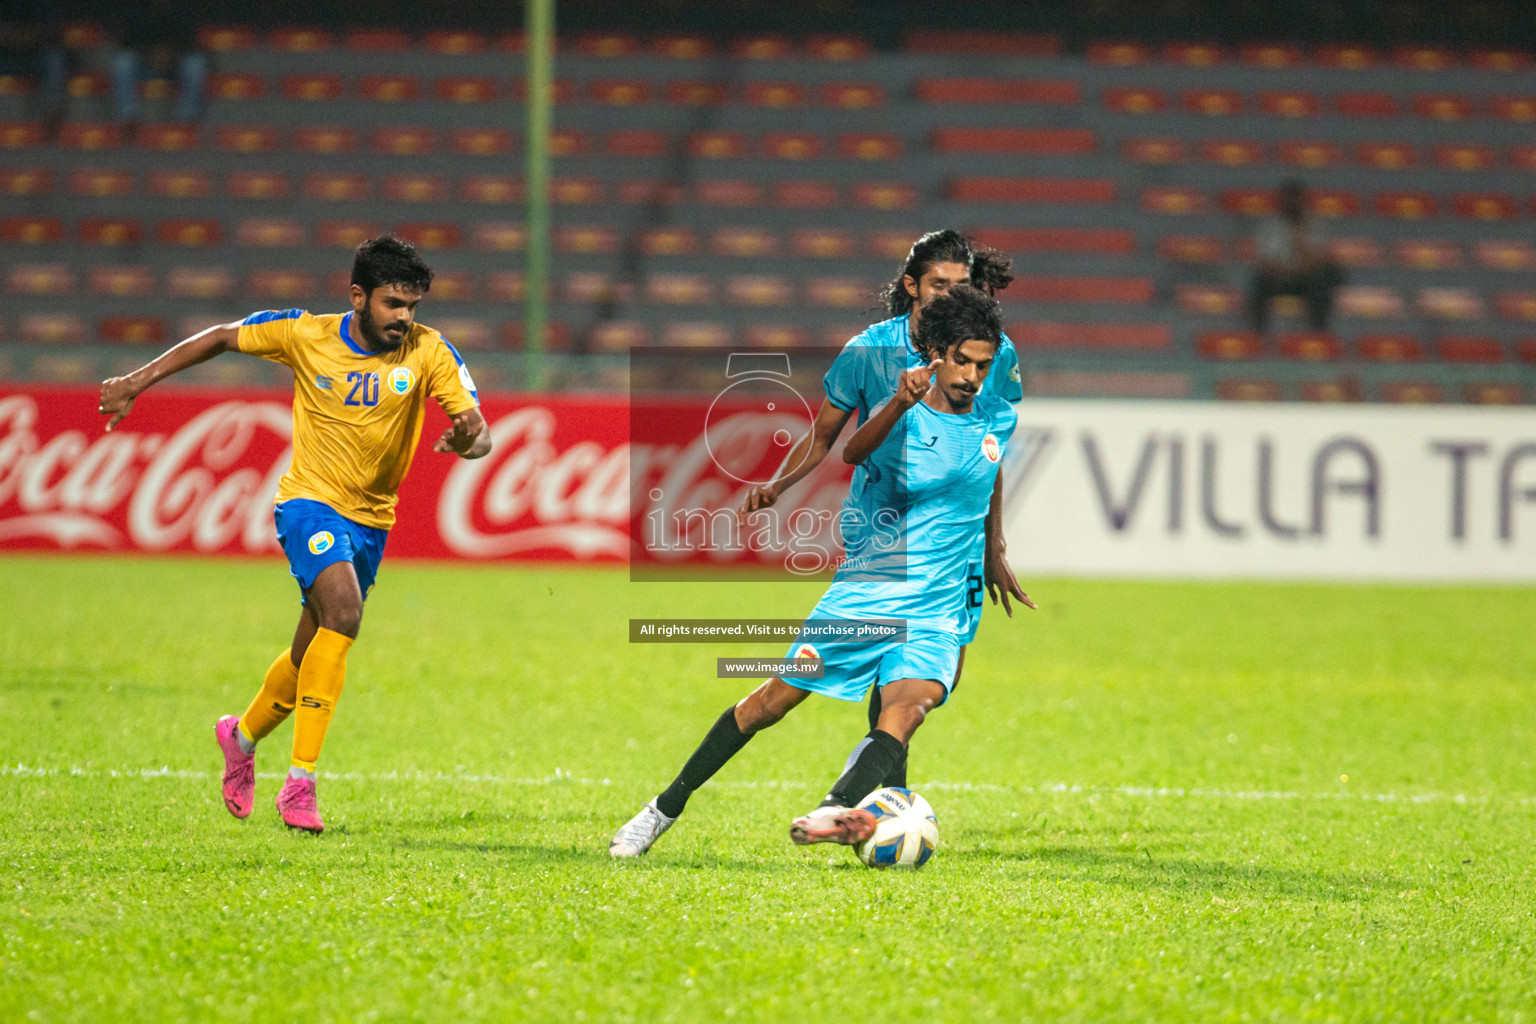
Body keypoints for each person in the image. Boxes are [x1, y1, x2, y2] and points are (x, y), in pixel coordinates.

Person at [611, 285, 1031, 857]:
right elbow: (854, 452)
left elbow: (991, 471)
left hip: (938, 605)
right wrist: (897, 404)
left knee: (907, 709)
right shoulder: (906, 413)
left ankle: (837, 811)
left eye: (983, 365)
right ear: (936, 352)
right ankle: (663, 809)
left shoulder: (995, 417)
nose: (973, 377)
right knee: (769, 703)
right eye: (963, 361)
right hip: (872, 587)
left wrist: (994, 548)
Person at [97, 236, 491, 834]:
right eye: (392, 304)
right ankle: (300, 784)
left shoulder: (430, 351)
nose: (403, 318)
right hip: (308, 504)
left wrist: (468, 442)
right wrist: (135, 380)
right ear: (358, 296)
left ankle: (241, 736)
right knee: (346, 614)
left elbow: (479, 434)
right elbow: (223, 336)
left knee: (312, 649)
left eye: (412, 306)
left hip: (371, 520)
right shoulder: (304, 334)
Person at [736, 229, 1031, 793]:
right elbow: (826, 440)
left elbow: (986, 450)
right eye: (938, 284)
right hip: (887, 531)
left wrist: (993, 546)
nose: (948, 296)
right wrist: (780, 484)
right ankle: (877, 798)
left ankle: (876, 793)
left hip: (956, 543)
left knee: (922, 685)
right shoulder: (868, 352)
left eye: (960, 285)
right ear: (911, 286)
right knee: (866, 665)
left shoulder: (995, 350)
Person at [1248, 179, 1344, 336]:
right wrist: (1283, 271)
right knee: (1259, 282)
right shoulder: (1270, 225)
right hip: (1279, 277)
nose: (1292, 203)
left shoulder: (1314, 224)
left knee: (1323, 279)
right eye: (1288, 199)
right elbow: (1263, 261)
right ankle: (1258, 336)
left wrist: (1299, 237)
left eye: (1296, 199)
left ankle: (1318, 334)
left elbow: (1317, 259)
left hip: (1306, 278)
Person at [109, 0, 206, 128]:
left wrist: (170, 55)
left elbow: (190, 41)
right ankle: (128, 116)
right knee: (122, 62)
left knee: (196, 64)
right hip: (145, 64)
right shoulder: (136, 7)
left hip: (175, 64)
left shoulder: (184, 7)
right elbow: (128, 41)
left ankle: (187, 117)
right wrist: (151, 55)